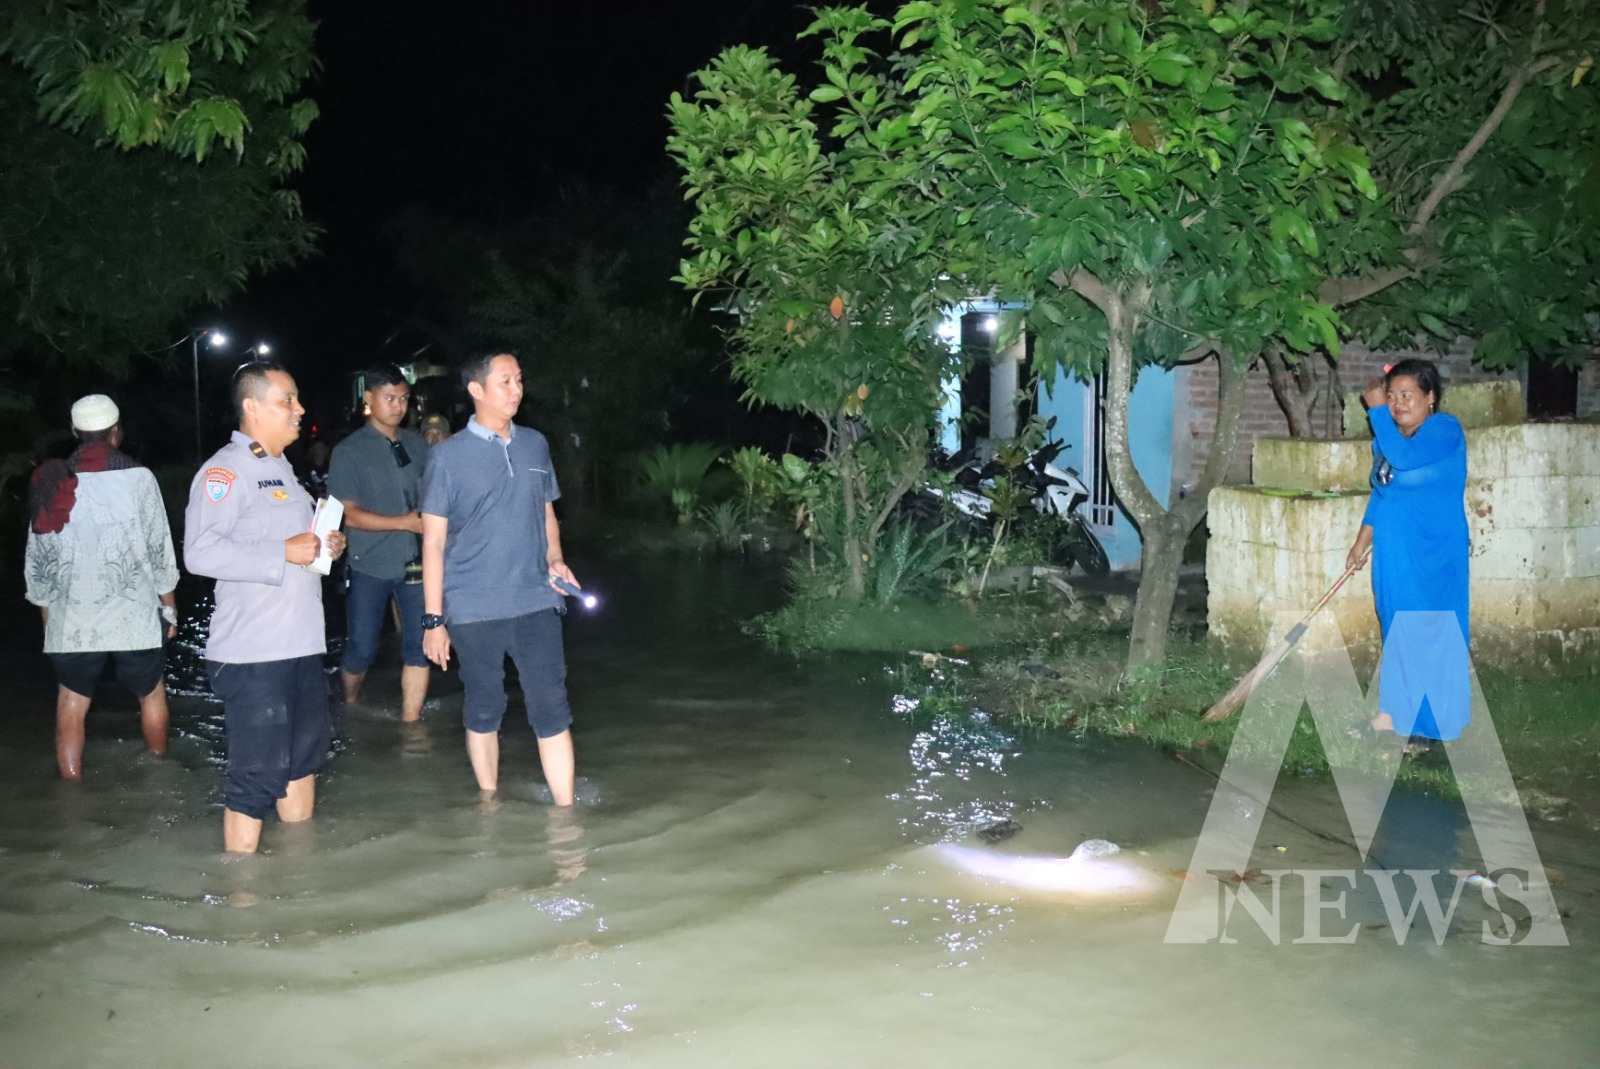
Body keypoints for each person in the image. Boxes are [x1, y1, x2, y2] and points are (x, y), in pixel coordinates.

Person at [184, 362, 347, 854]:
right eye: (287, 401)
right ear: (252, 408)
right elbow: (198, 553)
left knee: (302, 764)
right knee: (255, 779)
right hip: (254, 653)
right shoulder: (225, 471)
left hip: (300, 643)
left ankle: (299, 885)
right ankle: (243, 906)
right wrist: (281, 551)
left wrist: (324, 545)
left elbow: (296, 545)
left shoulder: (283, 471)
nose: (299, 410)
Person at [419, 351, 579, 804]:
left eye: (519, 380)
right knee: (485, 706)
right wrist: (434, 620)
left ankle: (566, 816)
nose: (516, 390)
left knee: (552, 708)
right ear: (476, 391)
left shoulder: (535, 444)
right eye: (505, 381)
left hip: (535, 598)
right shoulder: (447, 458)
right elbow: (432, 543)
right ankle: (489, 806)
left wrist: (555, 557)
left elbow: (545, 508)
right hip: (473, 604)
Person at [24, 395, 180, 780]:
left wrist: (48, 617)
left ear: (76, 433)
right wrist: (169, 608)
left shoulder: (51, 479)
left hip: (72, 618)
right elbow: (160, 549)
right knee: (151, 692)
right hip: (134, 615)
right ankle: (160, 772)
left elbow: (39, 558)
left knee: (71, 701)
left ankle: (71, 789)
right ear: (116, 433)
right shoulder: (140, 478)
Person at [1345, 358, 1470, 745]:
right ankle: (1392, 713)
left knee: (1430, 629)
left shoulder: (1443, 430)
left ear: (1430, 397)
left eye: (1407, 395)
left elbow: (1405, 459)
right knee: (1397, 627)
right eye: (1392, 395)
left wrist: (1378, 412)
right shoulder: (1386, 440)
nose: (1398, 403)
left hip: (1433, 551)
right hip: (1395, 551)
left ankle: (1431, 725)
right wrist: (1361, 542)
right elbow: (1383, 493)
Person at [328, 364, 432, 720]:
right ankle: (351, 703)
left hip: (418, 564)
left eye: (403, 398)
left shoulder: (418, 444)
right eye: (389, 398)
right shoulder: (349, 451)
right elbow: (349, 515)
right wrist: (404, 522)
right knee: (361, 647)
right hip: (369, 563)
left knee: (419, 645)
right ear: (368, 399)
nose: (398, 406)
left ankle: (411, 724)